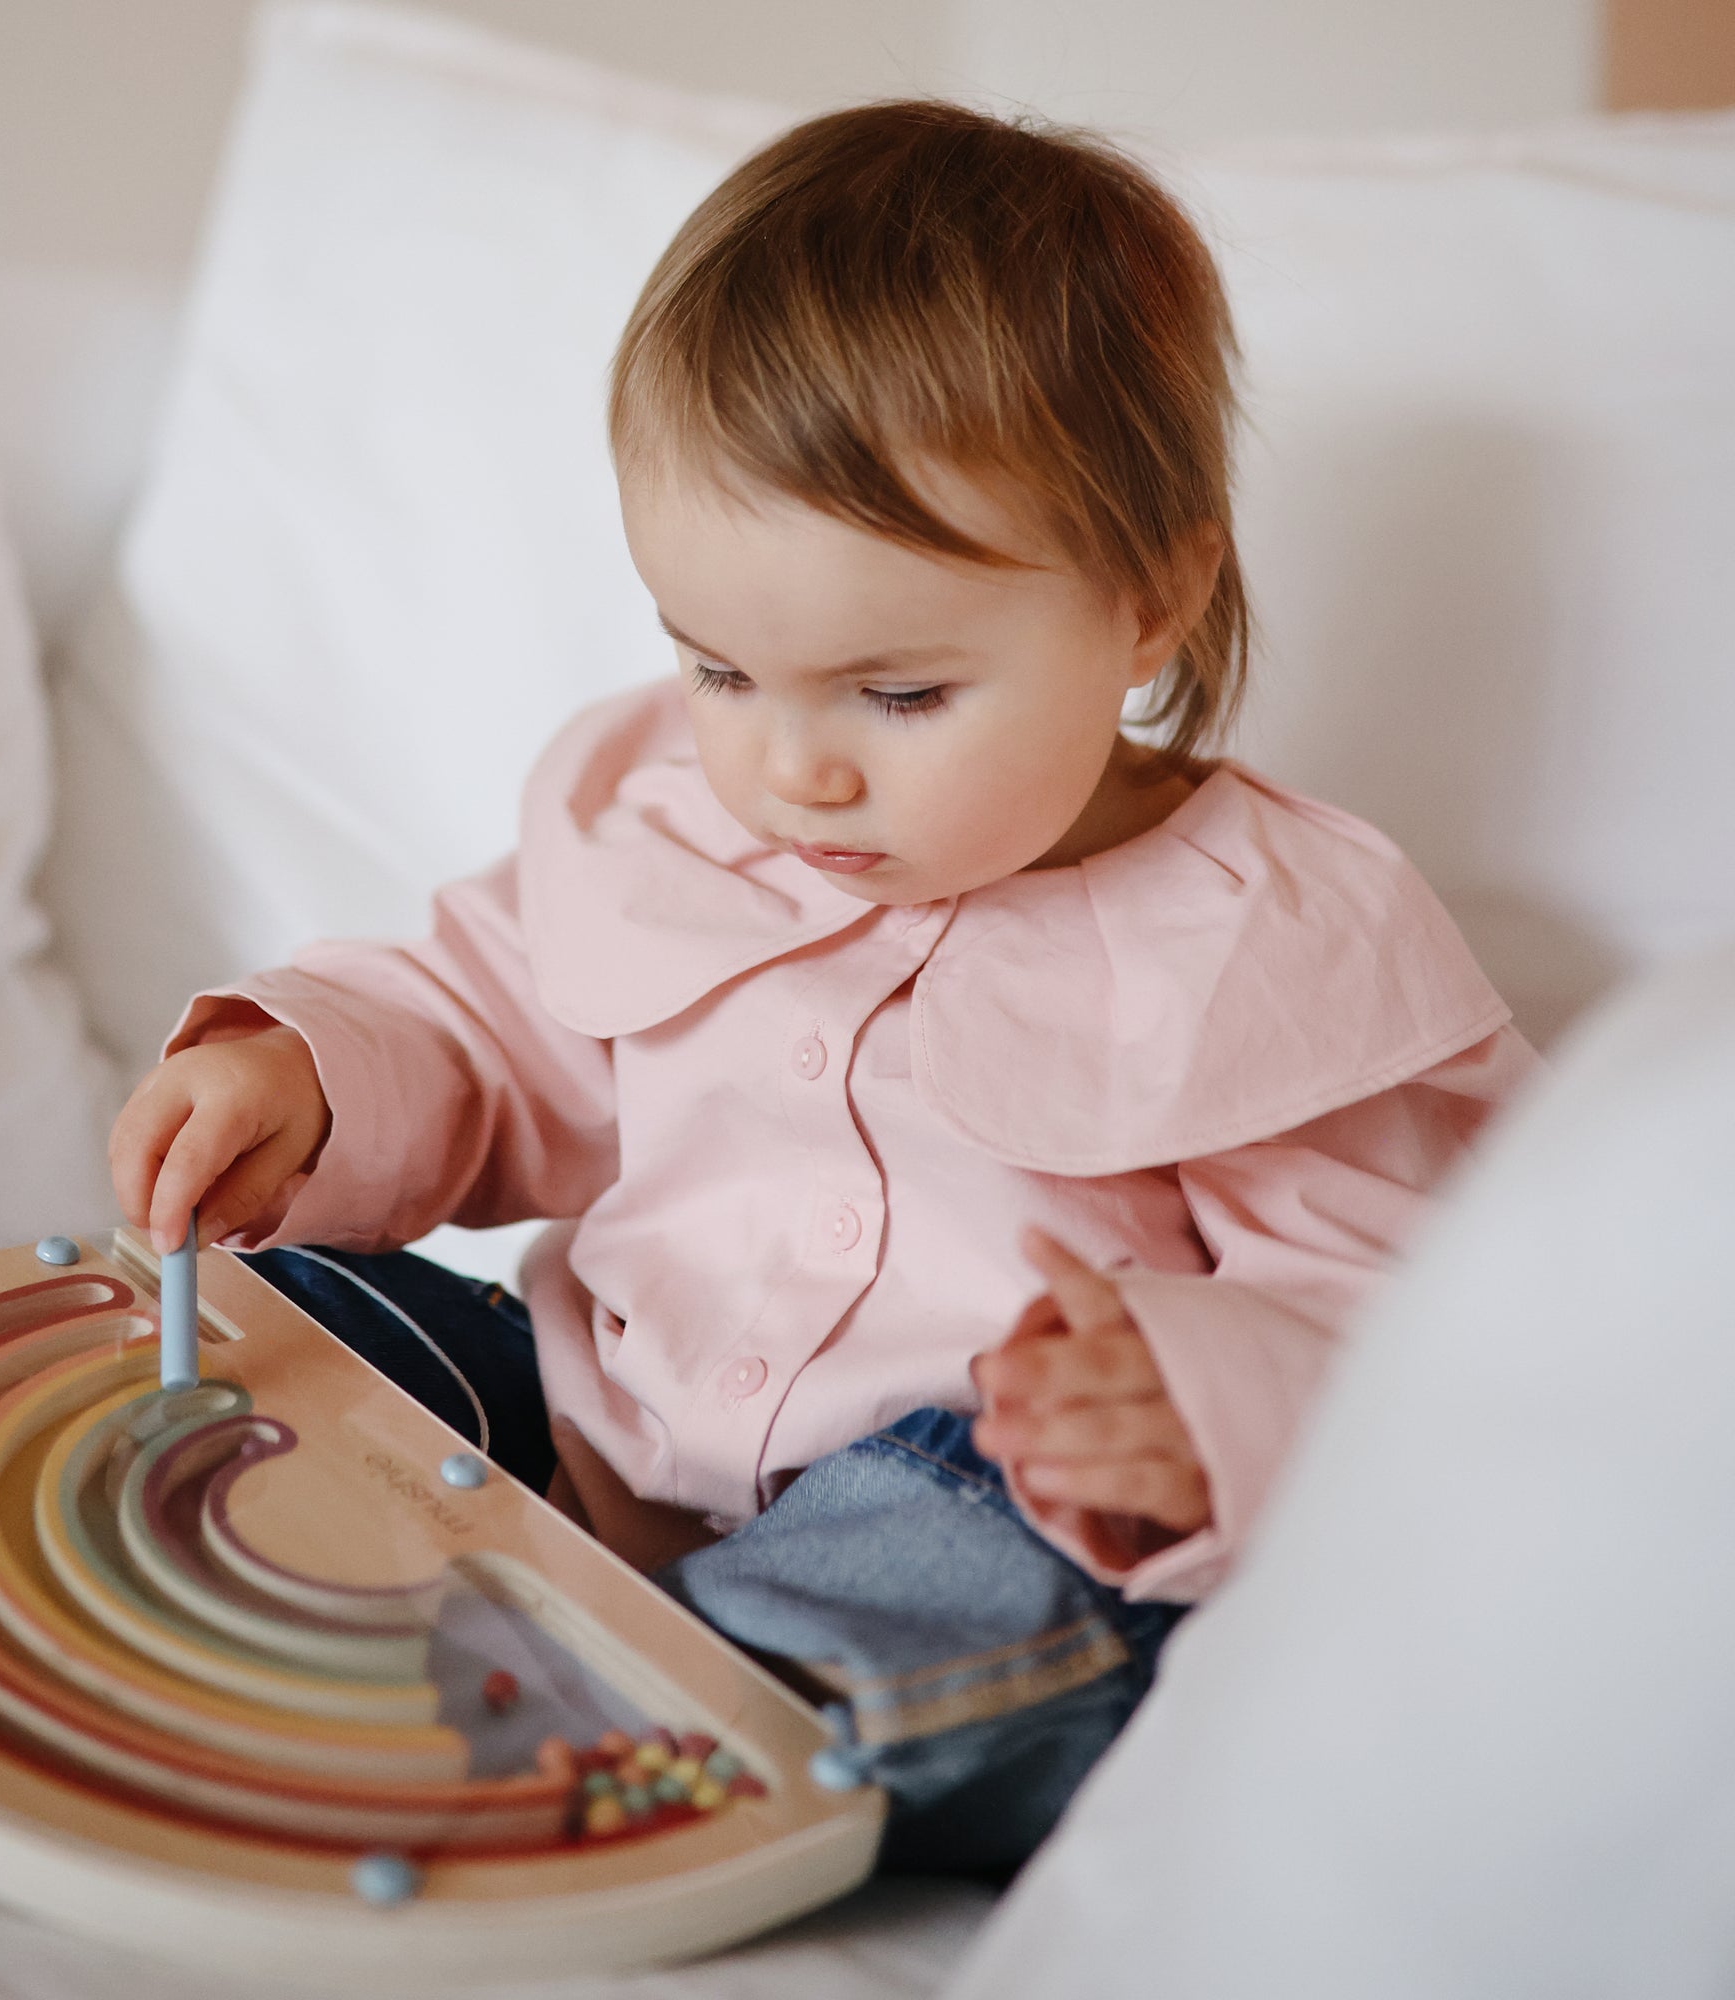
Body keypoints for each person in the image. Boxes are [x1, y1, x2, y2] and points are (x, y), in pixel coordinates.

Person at [107, 102, 1536, 1876]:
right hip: (592, 1458)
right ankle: (281, 1576)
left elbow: (1431, 1325)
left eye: (899, 694)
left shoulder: (1276, 941)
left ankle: (674, 1729)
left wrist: (1197, 1402)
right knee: (301, 1314)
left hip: (952, 1525)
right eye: (718, 666)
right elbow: (493, 1020)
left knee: (983, 1543)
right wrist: (311, 1077)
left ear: (1151, 602)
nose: (793, 773)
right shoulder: (665, 812)